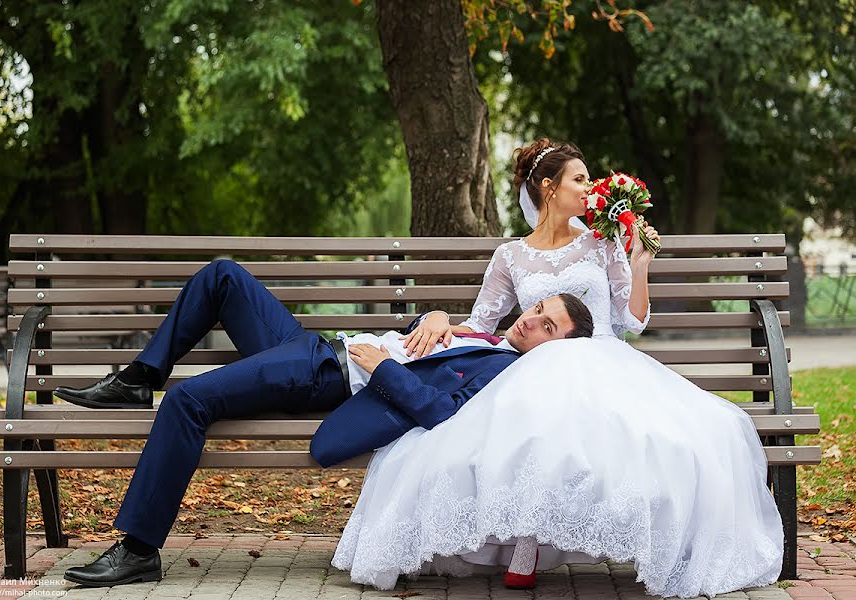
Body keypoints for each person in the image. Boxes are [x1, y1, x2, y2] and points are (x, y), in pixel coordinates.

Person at [327, 140, 784, 598]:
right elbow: (482, 324)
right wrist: (439, 317)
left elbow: (634, 321)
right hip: (539, 366)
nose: (590, 188)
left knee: (671, 436)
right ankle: (526, 546)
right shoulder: (510, 256)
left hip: (604, 359)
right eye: (579, 179)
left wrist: (639, 262)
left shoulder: (601, 243)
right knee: (532, 427)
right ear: (548, 188)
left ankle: (644, 543)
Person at [52, 258, 594, 587]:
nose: (531, 319)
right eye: (539, 307)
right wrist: (428, 316)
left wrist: (381, 368)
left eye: (547, 326)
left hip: (324, 377)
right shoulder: (490, 338)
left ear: (559, 349)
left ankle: (139, 551)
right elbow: (419, 347)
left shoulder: (505, 375)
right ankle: (137, 377)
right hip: (314, 350)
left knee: (188, 402)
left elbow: (439, 410)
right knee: (223, 277)